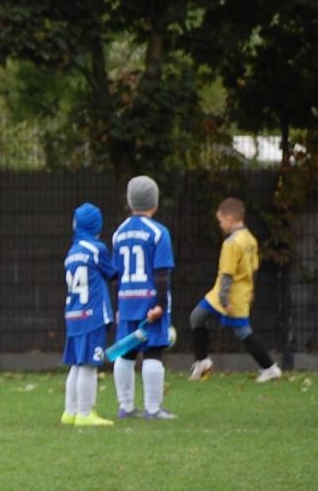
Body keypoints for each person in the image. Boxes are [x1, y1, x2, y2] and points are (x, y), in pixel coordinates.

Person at [189, 198, 282, 383]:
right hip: (236, 293)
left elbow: (227, 274)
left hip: (228, 295)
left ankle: (270, 368)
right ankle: (202, 362)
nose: (220, 224)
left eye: (221, 220)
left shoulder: (231, 243)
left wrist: (224, 300)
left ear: (230, 218)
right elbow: (254, 269)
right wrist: (252, 290)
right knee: (197, 317)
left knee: (243, 333)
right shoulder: (250, 240)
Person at [110, 175, 176, 418]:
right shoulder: (159, 233)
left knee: (125, 353)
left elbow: (115, 275)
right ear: (155, 202)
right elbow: (161, 273)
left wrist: (119, 304)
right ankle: (153, 408)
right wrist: (161, 304)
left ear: (129, 202)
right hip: (150, 302)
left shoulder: (119, 233)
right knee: (153, 352)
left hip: (127, 302)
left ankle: (126, 407)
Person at [61, 202, 117, 427]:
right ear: (97, 225)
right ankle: (85, 413)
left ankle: (70, 411)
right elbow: (112, 273)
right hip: (92, 315)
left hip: (73, 314)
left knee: (76, 364)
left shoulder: (72, 252)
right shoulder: (96, 249)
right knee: (89, 366)